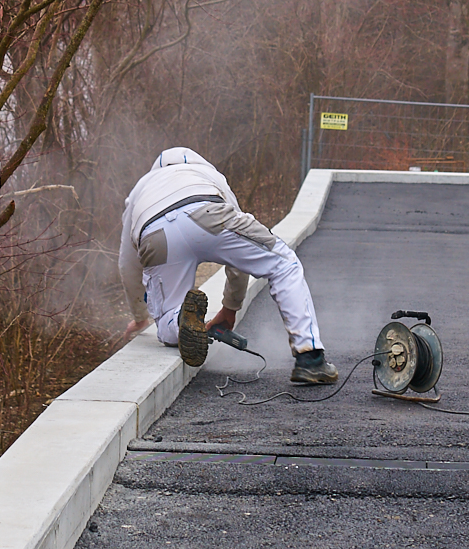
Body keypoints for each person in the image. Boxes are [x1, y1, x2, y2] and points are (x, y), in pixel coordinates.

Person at [118, 147, 339, 384]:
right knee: (284, 264)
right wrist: (230, 308)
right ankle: (310, 358)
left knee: (168, 322)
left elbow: (128, 264)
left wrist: (141, 317)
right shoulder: (209, 175)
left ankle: (181, 316)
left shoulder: (142, 186)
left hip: (155, 233)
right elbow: (238, 261)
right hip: (207, 211)